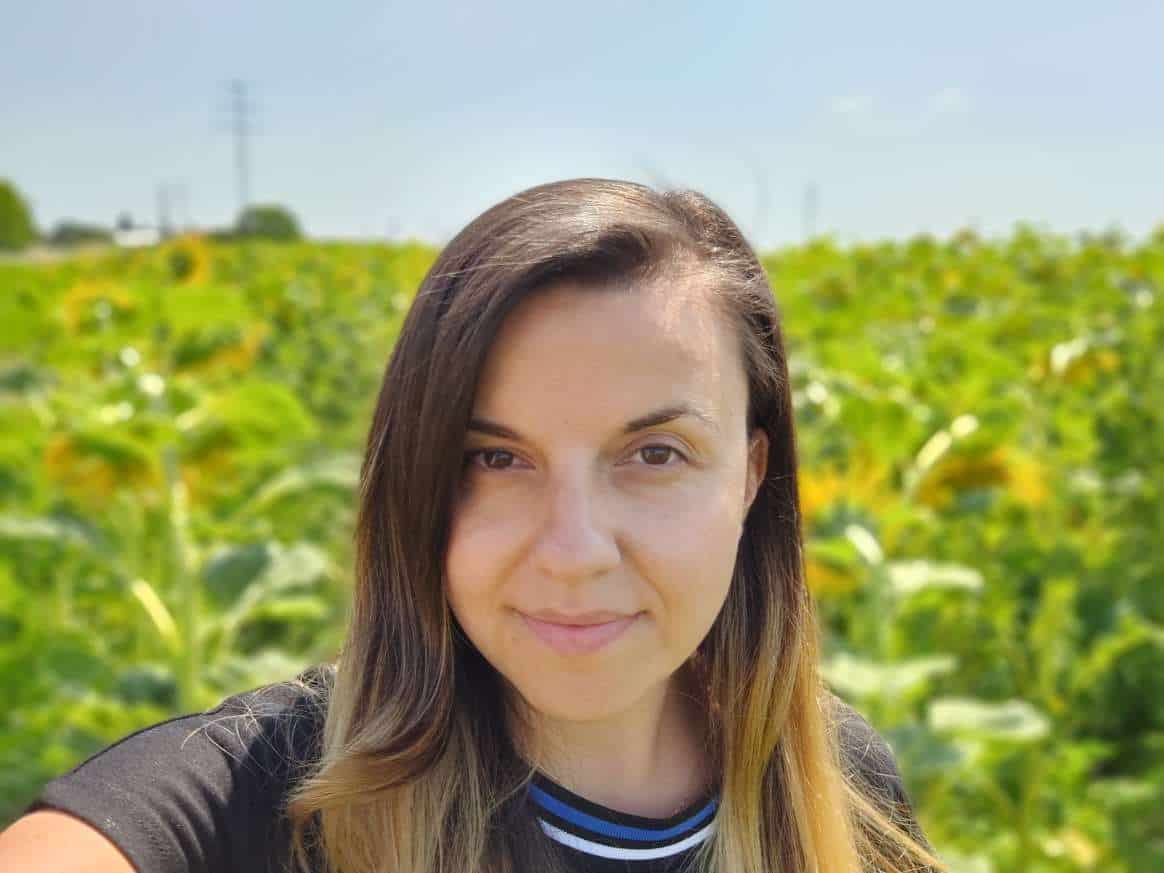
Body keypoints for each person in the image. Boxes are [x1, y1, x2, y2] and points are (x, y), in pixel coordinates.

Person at [0, 178, 945, 873]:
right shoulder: (274, 798)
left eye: (655, 453)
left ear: (751, 472)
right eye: (493, 459)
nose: (573, 552)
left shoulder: (840, 793)